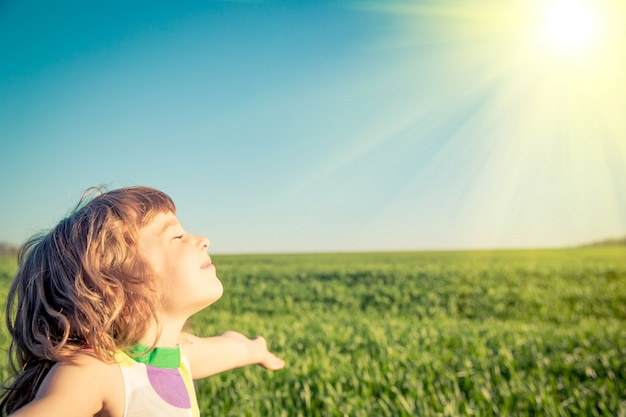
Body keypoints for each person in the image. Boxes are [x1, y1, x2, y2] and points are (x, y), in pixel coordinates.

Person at [0, 186, 285, 417]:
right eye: (176, 236)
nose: (203, 239)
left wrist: (256, 349)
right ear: (116, 288)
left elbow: (231, 349)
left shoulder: (176, 356)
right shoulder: (95, 371)